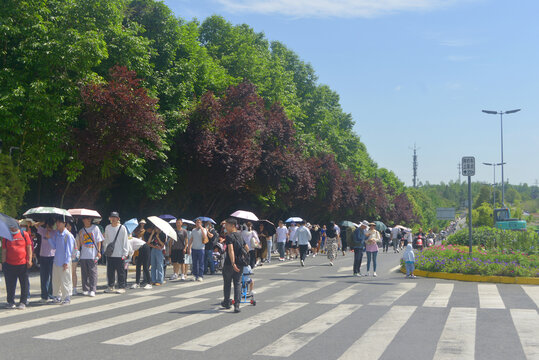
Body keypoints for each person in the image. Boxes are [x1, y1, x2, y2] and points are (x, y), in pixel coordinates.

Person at [1, 225, 32, 309]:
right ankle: (10, 302)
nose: (12, 227)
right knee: (10, 284)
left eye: (14, 225)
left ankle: (23, 302)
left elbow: (29, 247)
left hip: (22, 264)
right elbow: (4, 250)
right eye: (11, 226)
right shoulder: (6, 236)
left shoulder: (24, 234)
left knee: (24, 283)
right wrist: (3, 263)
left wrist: (29, 260)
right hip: (9, 264)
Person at [46, 219, 75, 304]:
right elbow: (54, 246)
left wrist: (66, 262)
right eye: (57, 222)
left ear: (64, 224)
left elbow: (69, 250)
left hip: (64, 262)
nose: (57, 224)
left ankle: (67, 297)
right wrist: (49, 238)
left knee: (65, 280)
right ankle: (57, 297)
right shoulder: (57, 234)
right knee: (56, 280)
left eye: (59, 222)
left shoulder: (68, 235)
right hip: (56, 261)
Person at [221, 218, 247, 313]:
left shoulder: (229, 237)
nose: (225, 227)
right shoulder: (240, 236)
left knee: (227, 283)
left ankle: (227, 302)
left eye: (227, 225)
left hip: (229, 264)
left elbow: (230, 250)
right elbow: (246, 248)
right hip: (240, 263)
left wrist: (233, 263)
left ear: (233, 226)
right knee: (237, 283)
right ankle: (237, 305)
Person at [76, 217, 103, 297]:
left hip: (93, 254)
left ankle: (92, 289)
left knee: (92, 272)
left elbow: (99, 240)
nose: (86, 221)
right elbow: (81, 244)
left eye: (88, 219)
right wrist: (80, 236)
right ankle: (85, 288)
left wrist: (98, 251)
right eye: (84, 219)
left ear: (90, 220)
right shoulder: (81, 230)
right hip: (84, 254)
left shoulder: (95, 228)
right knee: (84, 273)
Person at [103, 212, 129, 293]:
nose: (113, 219)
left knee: (120, 271)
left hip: (120, 253)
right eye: (112, 217)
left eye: (115, 217)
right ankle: (111, 286)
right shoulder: (107, 227)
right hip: (110, 253)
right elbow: (106, 240)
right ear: (109, 218)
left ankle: (122, 287)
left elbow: (125, 241)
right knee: (110, 271)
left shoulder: (122, 228)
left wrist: (125, 253)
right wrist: (105, 249)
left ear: (118, 219)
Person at [36, 218, 56, 303]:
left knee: (52, 277)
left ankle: (51, 294)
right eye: (48, 226)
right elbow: (36, 225)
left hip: (52, 256)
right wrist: (42, 222)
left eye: (50, 226)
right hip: (43, 256)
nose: (49, 228)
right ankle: (44, 295)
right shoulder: (43, 231)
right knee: (43, 277)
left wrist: (49, 236)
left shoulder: (55, 233)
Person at [132, 221, 152, 289]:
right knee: (138, 266)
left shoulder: (128, 240)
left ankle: (149, 283)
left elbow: (129, 251)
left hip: (145, 247)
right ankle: (137, 283)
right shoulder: (130, 238)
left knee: (145, 267)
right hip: (140, 249)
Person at [66, 221, 80, 295]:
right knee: (67, 273)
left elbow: (78, 245)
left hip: (74, 255)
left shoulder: (75, 235)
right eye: (66, 226)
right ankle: (68, 288)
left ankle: (74, 288)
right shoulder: (64, 235)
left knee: (73, 271)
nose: (67, 227)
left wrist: (77, 254)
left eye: (69, 226)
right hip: (66, 256)